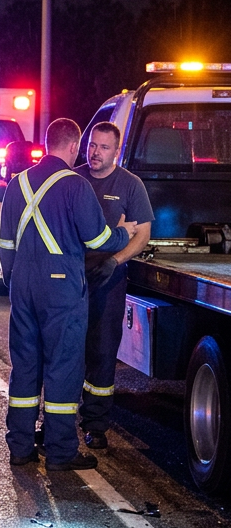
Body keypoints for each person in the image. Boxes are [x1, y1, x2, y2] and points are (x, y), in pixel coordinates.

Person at [0, 118, 136, 471]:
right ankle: (60, 452)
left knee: (26, 366)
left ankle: (20, 447)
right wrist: (123, 233)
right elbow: (98, 240)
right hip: (61, 288)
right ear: (74, 146)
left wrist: (14, 280)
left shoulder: (17, 185)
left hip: (23, 284)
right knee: (63, 367)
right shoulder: (76, 185)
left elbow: (4, 244)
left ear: (47, 143)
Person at [75, 122, 154, 449]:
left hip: (109, 280)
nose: (95, 153)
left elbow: (143, 234)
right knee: (68, 351)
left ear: (116, 151)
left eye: (104, 147)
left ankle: (95, 424)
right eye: (92, 145)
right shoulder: (74, 178)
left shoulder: (130, 185)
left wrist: (115, 261)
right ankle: (60, 421)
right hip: (73, 278)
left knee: (102, 351)